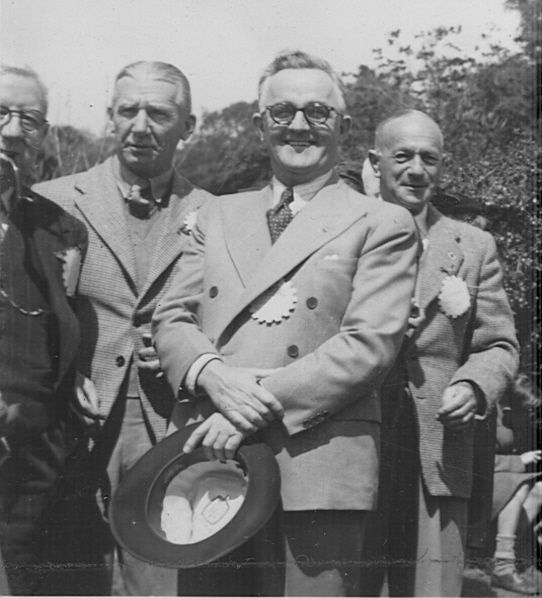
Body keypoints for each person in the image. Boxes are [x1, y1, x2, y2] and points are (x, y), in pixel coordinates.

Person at [152, 49, 418, 597]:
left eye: (317, 112)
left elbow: (367, 345)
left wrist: (247, 406)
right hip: (211, 456)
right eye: (282, 113)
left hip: (315, 464)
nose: (299, 126)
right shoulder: (217, 214)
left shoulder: (382, 221)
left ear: (343, 126)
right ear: (259, 125)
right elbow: (173, 316)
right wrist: (212, 375)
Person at [34, 61, 211, 596]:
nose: (141, 125)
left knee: (159, 570)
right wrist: (63, 374)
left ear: (189, 126)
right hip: (74, 419)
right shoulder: (50, 201)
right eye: (128, 110)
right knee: (65, 571)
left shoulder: (216, 213)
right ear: (110, 117)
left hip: (168, 417)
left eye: (158, 112)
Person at [362, 109, 520, 597]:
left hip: (436, 443)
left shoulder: (473, 245)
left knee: (431, 585)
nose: (416, 170)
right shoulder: (341, 233)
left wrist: (474, 385)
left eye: (428, 159)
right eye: (402, 156)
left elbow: (498, 343)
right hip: (352, 438)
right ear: (375, 161)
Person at [0, 64, 88, 595]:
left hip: (35, 454)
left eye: (29, 120)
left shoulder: (60, 226)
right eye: (0, 114)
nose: (12, 131)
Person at [491, 374, 541, 595]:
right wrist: (520, 460)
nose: (533, 416)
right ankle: (503, 563)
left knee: (539, 488)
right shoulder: (488, 418)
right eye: (528, 410)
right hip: (478, 486)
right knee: (518, 484)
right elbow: (478, 462)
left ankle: (504, 552)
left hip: (498, 483)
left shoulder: (513, 422)